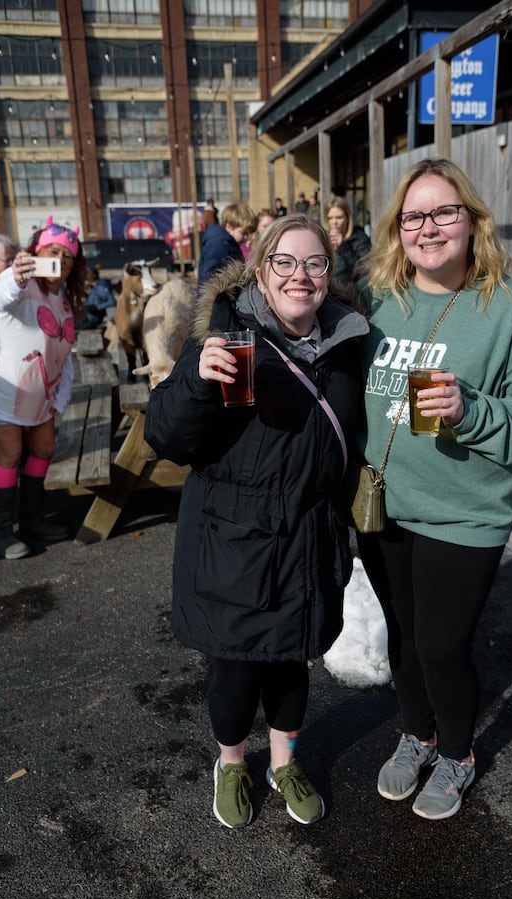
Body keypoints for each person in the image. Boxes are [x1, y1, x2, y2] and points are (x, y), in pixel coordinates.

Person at [356, 158, 512, 821]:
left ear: (472, 222)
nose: (429, 227)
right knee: (401, 634)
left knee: (440, 644)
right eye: (414, 215)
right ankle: (415, 732)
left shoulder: (507, 308)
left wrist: (471, 411)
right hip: (380, 502)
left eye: (445, 211)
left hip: (463, 511)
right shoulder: (376, 298)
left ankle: (456, 752)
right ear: (397, 229)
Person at [144, 215, 368, 830]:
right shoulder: (224, 336)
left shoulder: (350, 344)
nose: (301, 275)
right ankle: (231, 763)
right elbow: (162, 435)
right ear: (261, 272)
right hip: (234, 541)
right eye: (285, 263)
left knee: (293, 667)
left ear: (330, 275)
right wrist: (193, 379)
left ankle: (285, 763)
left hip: (309, 536)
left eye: (315, 263)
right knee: (237, 672)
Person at [0, 217, 88, 559]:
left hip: (38, 396)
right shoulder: (16, 283)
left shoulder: (60, 301)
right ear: (35, 252)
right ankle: (3, 533)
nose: (60, 260)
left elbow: (62, 355)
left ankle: (32, 521)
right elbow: (3, 297)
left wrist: (59, 400)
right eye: (52, 251)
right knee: (11, 453)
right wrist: (18, 275)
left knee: (44, 448)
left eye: (67, 256)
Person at [197, 201, 256, 290]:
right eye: (243, 233)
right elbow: (211, 276)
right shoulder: (219, 245)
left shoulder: (231, 244)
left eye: (248, 234)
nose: (246, 238)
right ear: (229, 227)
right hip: (215, 299)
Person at [326, 196, 371, 288]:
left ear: (347, 218)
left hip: (350, 294)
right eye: (330, 218)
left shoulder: (359, 238)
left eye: (339, 217)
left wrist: (343, 246)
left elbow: (364, 271)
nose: (334, 222)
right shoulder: (323, 237)